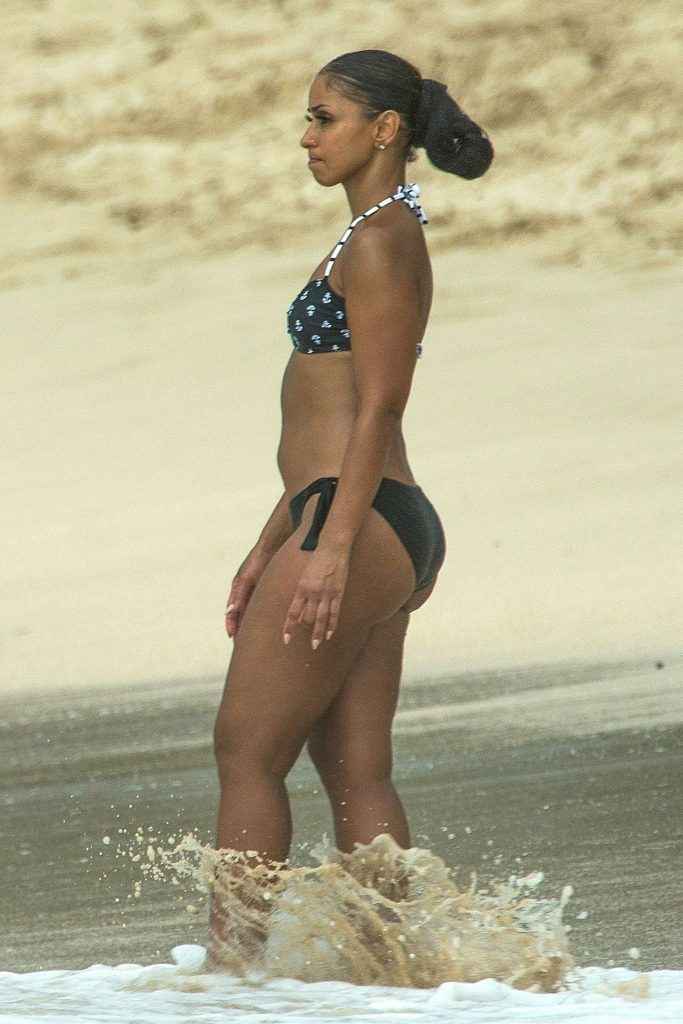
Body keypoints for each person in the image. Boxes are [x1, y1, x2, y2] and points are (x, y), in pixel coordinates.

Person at [211, 49, 492, 950]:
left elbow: (378, 407)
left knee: (246, 753)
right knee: (354, 770)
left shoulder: (379, 241)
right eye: (308, 118)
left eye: (323, 118)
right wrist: (273, 541)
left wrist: (328, 547)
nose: (307, 137)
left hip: (355, 520)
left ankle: (228, 981)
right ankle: (397, 972)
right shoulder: (378, 229)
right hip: (363, 514)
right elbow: (328, 422)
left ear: (384, 129)